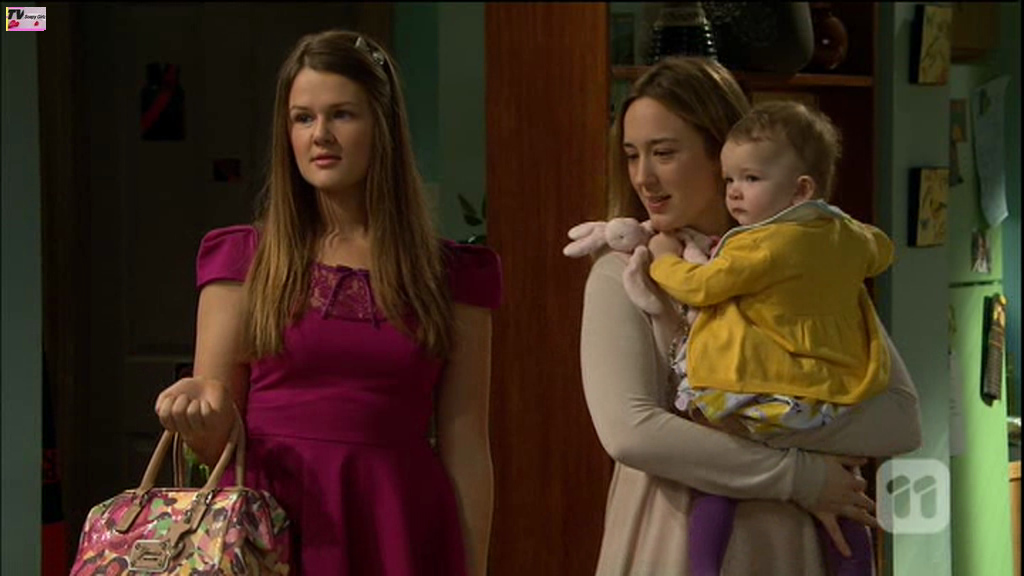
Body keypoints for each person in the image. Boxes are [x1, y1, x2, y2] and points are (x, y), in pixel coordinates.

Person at [153, 30, 501, 576]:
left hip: (398, 528)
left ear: (383, 126)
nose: (321, 135)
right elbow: (216, 442)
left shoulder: (453, 276)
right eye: (303, 118)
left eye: (342, 114)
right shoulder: (242, 261)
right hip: (271, 531)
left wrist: (474, 567)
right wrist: (197, 413)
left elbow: (468, 448)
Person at [579, 57, 922, 575]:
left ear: (724, 149)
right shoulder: (622, 273)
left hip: (792, 547)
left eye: (664, 153)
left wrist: (740, 424)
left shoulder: (808, 262)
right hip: (671, 540)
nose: (644, 177)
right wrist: (802, 475)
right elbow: (632, 432)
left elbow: (898, 418)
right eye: (631, 156)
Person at [645, 100, 895, 576]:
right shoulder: (848, 235)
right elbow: (882, 251)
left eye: (751, 179)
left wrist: (662, 258)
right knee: (847, 497)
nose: (734, 193)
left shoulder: (763, 246)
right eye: (729, 180)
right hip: (832, 396)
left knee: (717, 477)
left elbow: (702, 286)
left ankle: (703, 568)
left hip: (768, 392)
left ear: (801, 189)